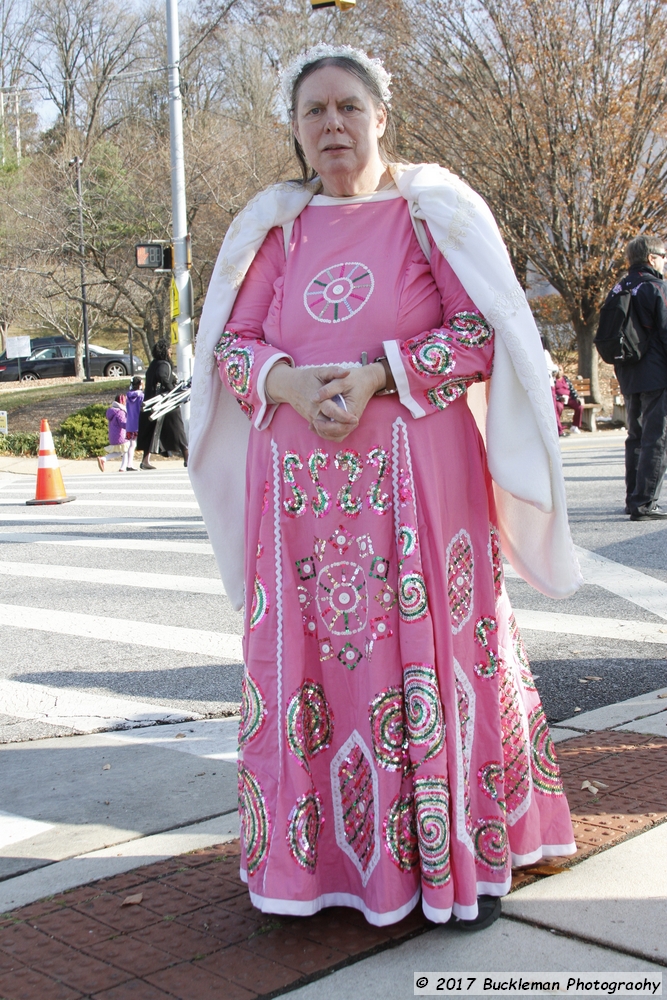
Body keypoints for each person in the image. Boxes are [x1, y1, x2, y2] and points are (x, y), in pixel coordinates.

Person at [188, 45, 580, 931]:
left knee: (428, 655)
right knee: (317, 667)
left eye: (347, 108)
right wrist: (288, 384)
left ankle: (450, 861)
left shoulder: (429, 214)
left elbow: (482, 334)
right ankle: (318, 865)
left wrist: (376, 376)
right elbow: (233, 345)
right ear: (294, 129)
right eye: (314, 112)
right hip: (300, 499)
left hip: (418, 485)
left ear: (379, 117)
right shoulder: (275, 231)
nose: (332, 125)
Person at [606, 235, 667, 520]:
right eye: (663, 256)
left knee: (635, 437)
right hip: (656, 372)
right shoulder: (656, 287)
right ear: (652, 258)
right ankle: (645, 502)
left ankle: (633, 499)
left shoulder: (619, 286)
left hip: (627, 370)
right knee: (657, 437)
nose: (665, 261)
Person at [137, 339, 188, 469]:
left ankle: (145, 461)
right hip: (164, 402)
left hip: (151, 402)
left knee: (151, 431)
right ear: (165, 351)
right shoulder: (164, 364)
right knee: (177, 428)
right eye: (169, 349)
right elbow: (162, 377)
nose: (171, 352)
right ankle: (187, 457)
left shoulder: (154, 364)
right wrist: (172, 390)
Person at [98, 394, 128, 472]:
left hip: (113, 436)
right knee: (126, 450)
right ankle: (123, 468)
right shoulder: (120, 412)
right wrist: (131, 425)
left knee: (118, 452)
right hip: (121, 435)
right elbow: (123, 424)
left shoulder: (111, 411)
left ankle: (103, 459)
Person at [554, 369, 583, 435]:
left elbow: (572, 390)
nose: (559, 372)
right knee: (558, 407)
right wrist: (559, 398)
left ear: (563, 371)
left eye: (560, 370)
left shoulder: (566, 379)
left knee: (579, 406)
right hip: (559, 399)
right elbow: (552, 393)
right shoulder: (553, 380)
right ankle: (558, 426)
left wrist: (576, 397)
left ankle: (575, 426)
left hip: (569, 398)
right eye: (557, 370)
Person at [125, 376, 144, 471]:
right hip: (137, 422)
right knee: (133, 445)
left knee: (131, 444)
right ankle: (129, 464)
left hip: (129, 423)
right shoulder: (141, 396)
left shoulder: (128, 395)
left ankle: (128, 463)